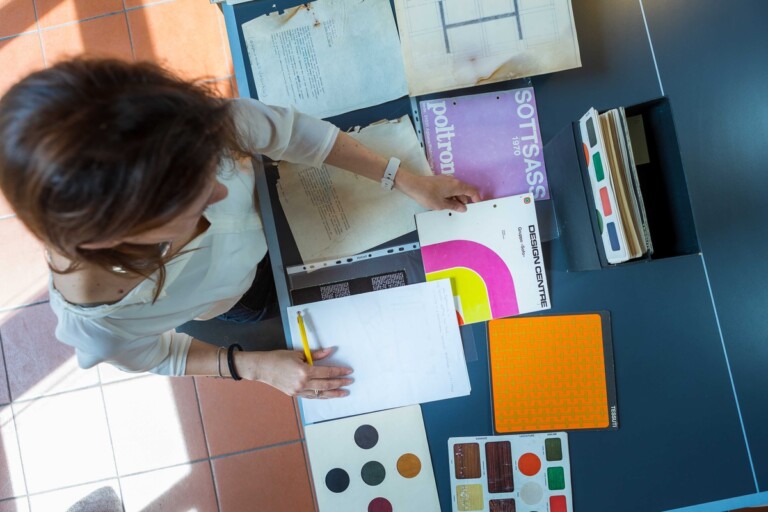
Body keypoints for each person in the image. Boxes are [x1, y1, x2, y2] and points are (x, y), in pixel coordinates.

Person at [0, 58, 480, 399]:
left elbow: (287, 133)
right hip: (243, 297)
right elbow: (158, 355)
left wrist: (405, 179)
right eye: (190, 198)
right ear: (113, 235)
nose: (221, 193)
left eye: (211, 167)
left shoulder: (177, 129)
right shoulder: (101, 326)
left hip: (287, 210)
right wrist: (249, 366)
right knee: (275, 307)